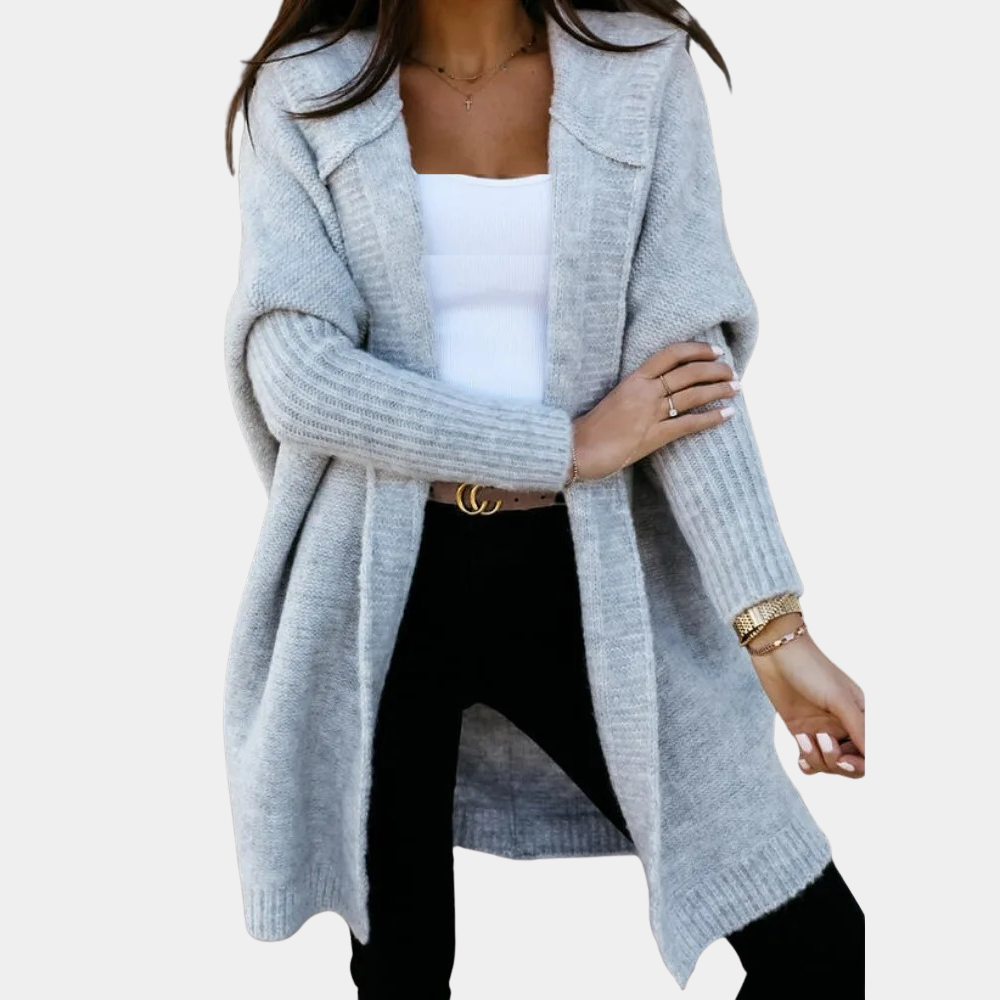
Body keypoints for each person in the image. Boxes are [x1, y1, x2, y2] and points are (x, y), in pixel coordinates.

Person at [222, 2, 866, 997]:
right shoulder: (306, 91)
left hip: (588, 578)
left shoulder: (640, 70)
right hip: (374, 594)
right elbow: (297, 375)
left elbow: (686, 376)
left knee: (817, 943)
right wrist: (567, 446)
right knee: (402, 969)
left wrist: (773, 627)